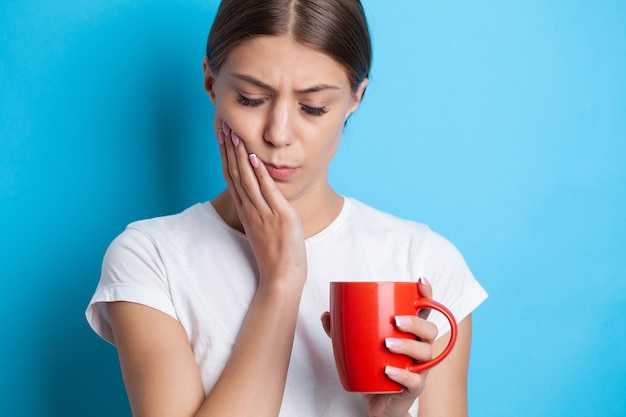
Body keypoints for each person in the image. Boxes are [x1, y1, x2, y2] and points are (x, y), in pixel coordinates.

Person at [86, 0, 488, 416]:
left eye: (312, 107)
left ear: (355, 97)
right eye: (250, 99)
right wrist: (281, 281)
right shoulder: (150, 259)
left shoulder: (425, 262)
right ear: (210, 83)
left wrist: (390, 415)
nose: (278, 134)